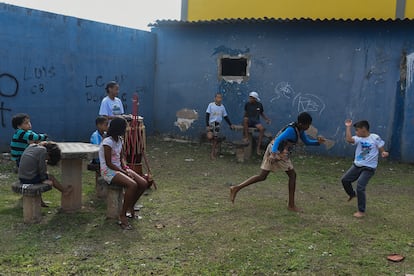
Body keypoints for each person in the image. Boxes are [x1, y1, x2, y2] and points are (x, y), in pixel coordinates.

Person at [230, 112, 325, 212]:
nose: (309, 127)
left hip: (276, 151)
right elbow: (278, 140)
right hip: (277, 152)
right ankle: (291, 205)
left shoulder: (299, 129)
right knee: (292, 175)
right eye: (308, 125)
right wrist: (274, 154)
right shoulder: (291, 130)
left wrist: (318, 142)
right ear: (302, 124)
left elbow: (307, 142)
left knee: (262, 176)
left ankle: (236, 188)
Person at [99, 117, 148, 230]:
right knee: (132, 185)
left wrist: (125, 168)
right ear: (118, 128)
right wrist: (124, 172)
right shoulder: (107, 142)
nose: (126, 129)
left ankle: (130, 206)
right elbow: (109, 163)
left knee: (143, 183)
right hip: (108, 171)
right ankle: (122, 215)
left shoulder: (120, 140)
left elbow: (122, 158)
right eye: (125, 127)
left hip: (120, 168)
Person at [341, 119, 389, 218]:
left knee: (360, 186)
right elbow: (349, 139)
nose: (356, 132)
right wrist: (348, 127)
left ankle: (361, 211)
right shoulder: (358, 138)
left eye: (357, 130)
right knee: (345, 180)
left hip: (369, 168)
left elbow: (381, 148)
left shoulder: (374, 137)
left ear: (364, 129)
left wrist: (383, 152)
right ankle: (352, 194)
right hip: (357, 165)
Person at [206, 93, 234, 159]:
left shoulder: (222, 107)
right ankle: (216, 144)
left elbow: (225, 116)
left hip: (217, 124)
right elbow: (207, 115)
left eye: (220, 98)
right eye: (218, 97)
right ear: (215, 98)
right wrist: (207, 125)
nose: (219, 99)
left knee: (215, 138)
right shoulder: (211, 105)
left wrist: (230, 124)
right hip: (211, 123)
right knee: (210, 137)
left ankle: (212, 153)